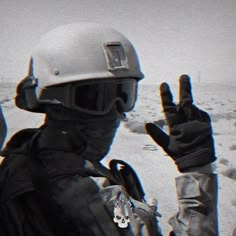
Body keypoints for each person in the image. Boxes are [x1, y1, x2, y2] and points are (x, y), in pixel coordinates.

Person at [0, 23, 218, 235]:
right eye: (96, 98)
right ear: (53, 100)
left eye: (124, 96)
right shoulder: (95, 196)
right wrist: (198, 172)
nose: (114, 113)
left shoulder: (24, 158)